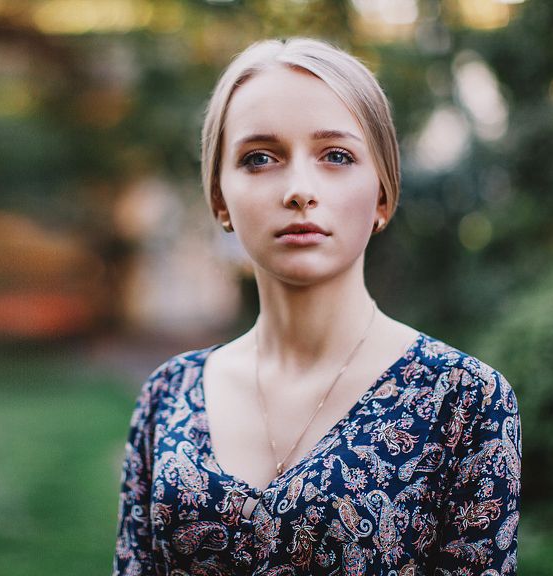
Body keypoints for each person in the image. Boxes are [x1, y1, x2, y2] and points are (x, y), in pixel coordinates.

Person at [112, 37, 520, 575]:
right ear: (220, 198)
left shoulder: (464, 402)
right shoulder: (167, 395)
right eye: (260, 158)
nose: (300, 190)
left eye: (336, 156)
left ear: (382, 194)